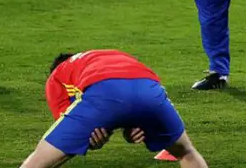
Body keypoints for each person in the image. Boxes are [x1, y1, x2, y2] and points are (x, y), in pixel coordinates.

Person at [19, 50, 208, 168]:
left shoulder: (58, 75)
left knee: (39, 161)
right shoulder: (110, 55)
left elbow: (71, 128)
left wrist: (92, 139)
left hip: (105, 89)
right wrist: (133, 126)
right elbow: (129, 92)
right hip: (150, 89)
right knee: (186, 152)